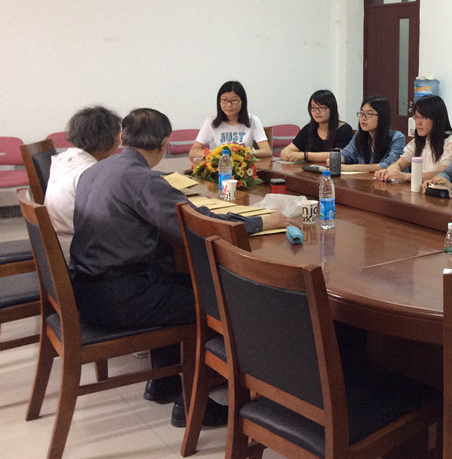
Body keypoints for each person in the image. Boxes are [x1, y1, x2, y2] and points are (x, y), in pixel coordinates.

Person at [70, 108, 297, 427]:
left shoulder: (95, 171)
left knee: (177, 279)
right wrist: (259, 222)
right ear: (165, 143)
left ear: (122, 137)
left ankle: (165, 382)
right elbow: (197, 226)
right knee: (218, 300)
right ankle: (193, 404)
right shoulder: (143, 180)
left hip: (88, 290)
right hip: (119, 298)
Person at [44, 106, 121, 260]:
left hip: (60, 244)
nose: (119, 141)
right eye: (118, 136)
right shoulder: (91, 172)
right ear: (108, 140)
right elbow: (109, 221)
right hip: (81, 254)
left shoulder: (63, 160)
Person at [374, 95, 452, 183]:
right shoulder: (420, 140)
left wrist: (405, 176)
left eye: (424, 117)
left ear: (437, 119)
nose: (418, 122)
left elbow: (442, 174)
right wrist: (387, 172)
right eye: (416, 117)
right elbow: (399, 164)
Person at [188, 81, 271, 160]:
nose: (228, 105)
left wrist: (244, 153)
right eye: (224, 100)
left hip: (244, 166)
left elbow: (267, 151)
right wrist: (216, 153)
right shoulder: (211, 122)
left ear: (242, 102)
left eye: (234, 100)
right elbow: (193, 152)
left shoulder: (253, 120)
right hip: (221, 166)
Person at [279, 89, 353, 162]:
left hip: (333, 169)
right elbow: (286, 151)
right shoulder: (308, 129)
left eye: (322, 107)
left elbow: (338, 155)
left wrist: (305, 155)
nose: (317, 111)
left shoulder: (344, 129)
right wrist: (288, 154)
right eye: (313, 107)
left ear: (332, 109)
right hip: (309, 169)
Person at [337, 96, 405, 172]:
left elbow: (390, 165)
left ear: (382, 117)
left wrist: (349, 168)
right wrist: (335, 160)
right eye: (362, 113)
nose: (363, 118)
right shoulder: (360, 135)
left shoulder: (397, 138)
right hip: (364, 179)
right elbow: (346, 155)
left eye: (369, 114)